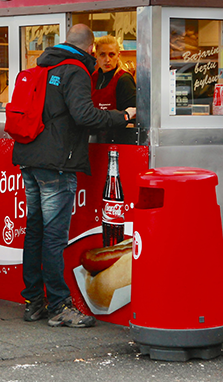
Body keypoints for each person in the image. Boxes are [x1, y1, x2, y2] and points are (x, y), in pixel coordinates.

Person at [12, 24, 135, 328]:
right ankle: (58, 307)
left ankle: (33, 303)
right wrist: (125, 116)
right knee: (53, 236)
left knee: (36, 231)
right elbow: (84, 115)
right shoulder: (76, 70)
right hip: (57, 163)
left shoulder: (42, 65)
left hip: (29, 156)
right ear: (91, 49)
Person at [91, 35, 136, 143]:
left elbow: (133, 115)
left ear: (118, 55)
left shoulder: (124, 79)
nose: (107, 60)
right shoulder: (93, 78)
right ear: (96, 56)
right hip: (95, 139)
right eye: (102, 55)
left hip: (117, 140)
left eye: (112, 54)